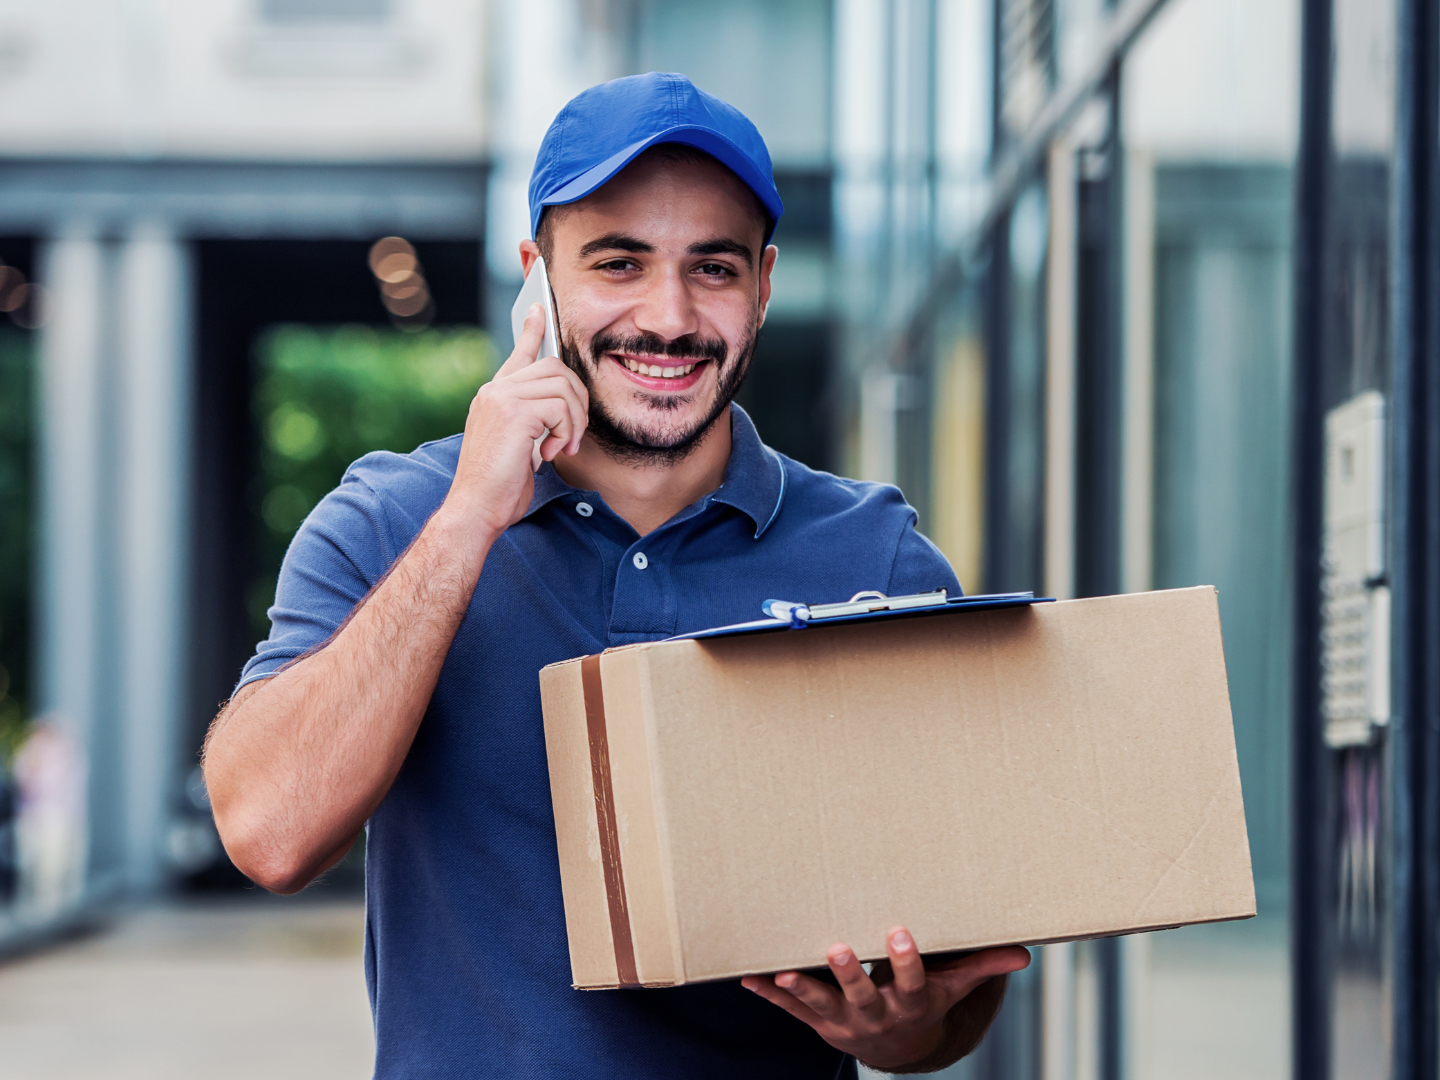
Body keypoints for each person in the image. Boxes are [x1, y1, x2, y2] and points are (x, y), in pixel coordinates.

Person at [203, 72, 1029, 1078]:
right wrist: (470, 519)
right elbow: (269, 834)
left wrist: (905, 1034)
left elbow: (961, 986)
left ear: (764, 283)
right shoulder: (395, 520)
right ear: (536, 280)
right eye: (618, 263)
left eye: (712, 269)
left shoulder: (877, 558)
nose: (669, 316)